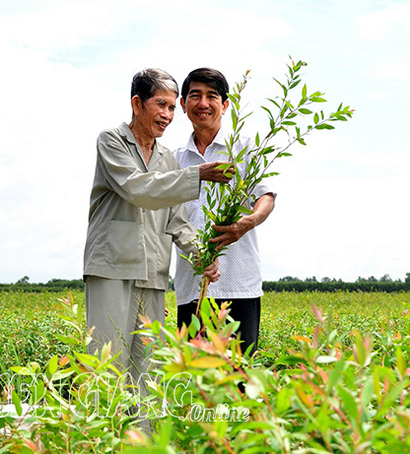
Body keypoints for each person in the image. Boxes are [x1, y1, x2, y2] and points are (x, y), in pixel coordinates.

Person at [83, 68, 233, 380]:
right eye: (160, 105)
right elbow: (139, 189)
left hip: (153, 274)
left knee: (146, 371)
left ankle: (144, 432)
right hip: (112, 267)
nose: (167, 115)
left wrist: (201, 255)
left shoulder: (167, 159)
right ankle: (99, 431)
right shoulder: (112, 142)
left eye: (171, 108)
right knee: (106, 362)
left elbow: (177, 220)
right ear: (137, 104)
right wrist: (198, 175)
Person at [174, 67, 276, 357]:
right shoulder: (173, 160)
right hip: (191, 287)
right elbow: (167, 217)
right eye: (195, 96)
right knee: (195, 379)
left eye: (212, 96)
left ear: (226, 104)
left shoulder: (244, 150)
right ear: (183, 105)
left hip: (238, 284)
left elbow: (266, 196)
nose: (203, 103)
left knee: (239, 377)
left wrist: (249, 221)